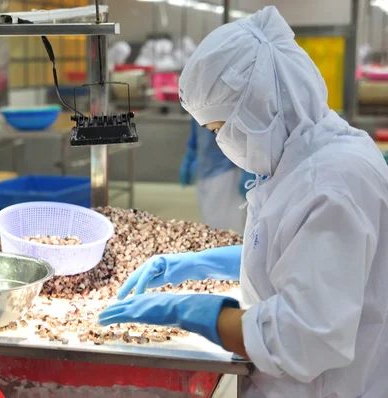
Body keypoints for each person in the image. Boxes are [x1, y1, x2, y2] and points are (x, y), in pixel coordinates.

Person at [100, 6, 388, 397]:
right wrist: (200, 264)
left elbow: (305, 338)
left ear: (260, 107)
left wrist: (194, 314)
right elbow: (295, 258)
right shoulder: (303, 157)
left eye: (220, 128)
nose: (220, 142)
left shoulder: (334, 183)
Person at [180, 117, 253, 232]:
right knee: (210, 222)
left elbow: (246, 134)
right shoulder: (194, 102)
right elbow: (197, 133)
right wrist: (191, 154)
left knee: (229, 227)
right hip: (204, 168)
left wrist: (249, 170)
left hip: (227, 169)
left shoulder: (228, 102)